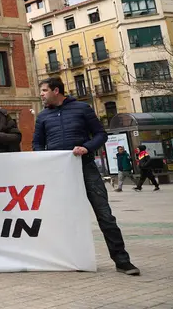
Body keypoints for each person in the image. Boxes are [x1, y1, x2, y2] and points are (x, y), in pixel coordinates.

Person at [33, 77, 139, 275]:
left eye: (44, 90)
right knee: (64, 218)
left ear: (56, 91)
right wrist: (45, 159)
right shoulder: (42, 116)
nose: (41, 94)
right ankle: (74, 260)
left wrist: (86, 147)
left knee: (104, 215)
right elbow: (37, 143)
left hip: (86, 167)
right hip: (59, 174)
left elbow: (101, 134)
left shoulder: (82, 109)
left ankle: (122, 261)